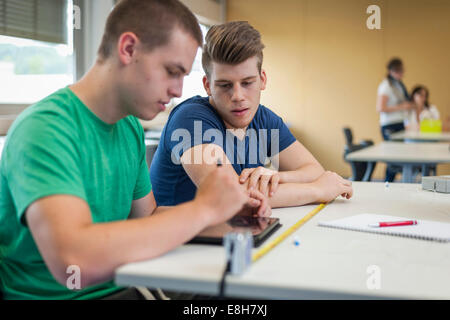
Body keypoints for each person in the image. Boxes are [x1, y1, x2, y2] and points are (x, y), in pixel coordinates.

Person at [0, 0, 270, 300]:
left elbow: (147, 219)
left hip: (127, 285)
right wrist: (203, 208)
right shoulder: (45, 129)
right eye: (172, 71)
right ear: (128, 49)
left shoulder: (128, 126)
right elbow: (73, 260)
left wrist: (225, 213)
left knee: (252, 296)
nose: (179, 90)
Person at [150, 21, 353, 209]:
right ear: (207, 86)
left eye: (247, 83)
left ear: (262, 80)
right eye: (225, 85)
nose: (238, 96)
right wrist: (317, 190)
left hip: (228, 235)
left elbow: (313, 171)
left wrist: (276, 177)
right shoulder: (190, 118)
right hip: (181, 244)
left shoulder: (263, 119)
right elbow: (230, 197)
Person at [376, 58, 414, 182]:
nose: (401, 73)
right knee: (392, 158)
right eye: (398, 71)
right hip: (389, 125)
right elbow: (380, 107)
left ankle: (391, 182)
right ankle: (387, 182)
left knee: (399, 157)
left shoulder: (398, 85)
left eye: (402, 71)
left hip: (399, 123)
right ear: (391, 71)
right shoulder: (386, 86)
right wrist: (401, 107)